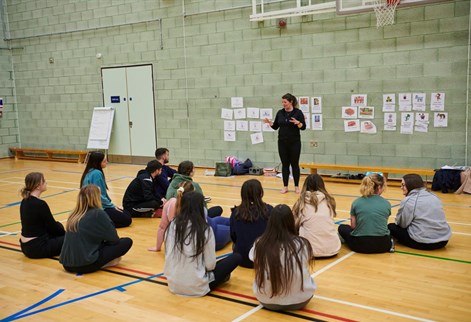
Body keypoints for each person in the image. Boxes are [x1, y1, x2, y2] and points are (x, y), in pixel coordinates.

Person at [164, 191, 241, 297]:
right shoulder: (205, 229)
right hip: (197, 287)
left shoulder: (172, 226)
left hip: (173, 284)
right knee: (236, 257)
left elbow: (167, 255)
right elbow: (210, 265)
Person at [249, 204, 316, 311]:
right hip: (300, 301)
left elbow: (252, 258)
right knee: (307, 277)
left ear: (271, 222)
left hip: (266, 300)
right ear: (291, 222)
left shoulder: (260, 243)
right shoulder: (302, 244)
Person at [60, 185, 133, 274]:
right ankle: (102, 264)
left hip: (67, 264)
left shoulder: (74, 214)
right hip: (85, 264)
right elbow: (114, 240)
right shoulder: (98, 213)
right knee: (126, 242)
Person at [149, 181, 231, 252]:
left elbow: (162, 227)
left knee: (220, 219)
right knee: (232, 228)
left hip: (207, 227)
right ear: (193, 192)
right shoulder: (194, 205)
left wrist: (158, 247)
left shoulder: (170, 203)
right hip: (211, 233)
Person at [388, 174, 452, 250]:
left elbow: (402, 224)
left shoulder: (409, 200)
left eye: (403, 185)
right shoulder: (434, 196)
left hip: (423, 243)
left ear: (410, 185)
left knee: (391, 227)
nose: (401, 187)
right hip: (443, 241)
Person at [338, 173, 393, 254]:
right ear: (379, 187)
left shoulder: (356, 203)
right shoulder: (387, 203)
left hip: (360, 245)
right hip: (383, 245)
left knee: (342, 227)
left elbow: (353, 226)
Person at [263, 93, 306, 194]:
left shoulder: (298, 112)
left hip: (294, 142)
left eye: (285, 102)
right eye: (282, 102)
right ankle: (285, 186)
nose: (283, 104)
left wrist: (298, 123)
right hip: (282, 142)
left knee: (295, 164)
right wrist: (270, 123)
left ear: (291, 102)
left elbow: (303, 127)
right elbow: (276, 126)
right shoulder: (280, 113)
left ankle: (296, 186)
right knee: (285, 164)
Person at [292, 174, 340, 258]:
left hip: (309, 251)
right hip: (333, 249)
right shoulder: (329, 201)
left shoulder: (301, 203)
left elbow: (293, 225)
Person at [19, 172, 65, 259]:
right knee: (70, 238)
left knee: (59, 228)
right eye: (44, 181)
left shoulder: (24, 201)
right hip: (36, 248)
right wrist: (66, 234)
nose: (46, 182)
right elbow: (53, 226)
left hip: (25, 246)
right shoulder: (40, 204)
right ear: (38, 186)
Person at [80, 151, 131, 228]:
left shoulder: (89, 171)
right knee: (127, 219)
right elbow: (100, 196)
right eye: (104, 161)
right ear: (98, 162)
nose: (106, 162)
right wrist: (112, 206)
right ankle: (101, 224)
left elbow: (103, 194)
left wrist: (112, 205)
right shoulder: (97, 173)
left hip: (94, 206)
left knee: (126, 213)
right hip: (97, 207)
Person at [230, 179, 273, 268]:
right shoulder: (269, 210)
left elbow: (233, 236)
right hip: (264, 259)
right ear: (260, 193)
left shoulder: (236, 212)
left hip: (242, 259)